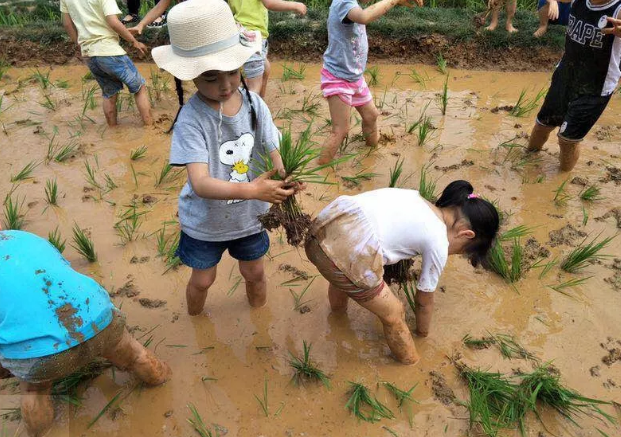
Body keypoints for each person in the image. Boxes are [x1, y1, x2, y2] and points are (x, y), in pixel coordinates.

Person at [151, 0, 300, 315]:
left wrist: (286, 178)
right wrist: (253, 190)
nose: (225, 85)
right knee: (203, 280)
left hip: (250, 218)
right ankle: (196, 322)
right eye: (209, 77)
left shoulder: (255, 104)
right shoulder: (191, 120)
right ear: (187, 77)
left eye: (232, 72)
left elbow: (274, 148)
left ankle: (259, 323)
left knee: (255, 273)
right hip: (205, 223)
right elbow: (201, 183)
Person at [305, 181, 500, 364]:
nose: (453, 252)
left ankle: (337, 317)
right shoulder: (439, 240)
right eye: (461, 251)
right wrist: (422, 335)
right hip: (352, 248)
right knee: (393, 313)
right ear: (465, 234)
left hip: (326, 225)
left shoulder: (416, 198)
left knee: (345, 275)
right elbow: (424, 302)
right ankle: (410, 364)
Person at [0, 230, 171, 437]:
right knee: (134, 354)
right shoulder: (23, 236)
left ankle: (42, 433)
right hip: (98, 318)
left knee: (34, 390)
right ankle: (163, 383)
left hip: (42, 354)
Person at [130, 0, 307, 99]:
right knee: (212, 78)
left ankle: (255, 105)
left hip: (220, 35)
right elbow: (159, 7)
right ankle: (243, 107)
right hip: (195, 39)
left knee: (261, 69)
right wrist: (142, 24)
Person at [318, 0, 421, 165]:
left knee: (371, 116)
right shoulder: (344, 2)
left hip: (355, 77)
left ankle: (371, 154)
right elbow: (365, 16)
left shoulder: (353, 2)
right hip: (338, 78)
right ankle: (321, 167)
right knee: (341, 130)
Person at [527, 0, 621, 171]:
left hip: (596, 86)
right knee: (543, 124)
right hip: (566, 75)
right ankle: (525, 161)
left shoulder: (619, 9)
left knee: (567, 139)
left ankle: (561, 182)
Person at [60, 0, 153, 127]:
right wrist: (134, 42)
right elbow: (113, 22)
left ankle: (113, 130)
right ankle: (150, 128)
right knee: (139, 88)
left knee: (109, 93)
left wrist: (79, 44)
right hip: (108, 50)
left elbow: (67, 24)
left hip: (89, 54)